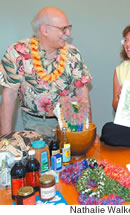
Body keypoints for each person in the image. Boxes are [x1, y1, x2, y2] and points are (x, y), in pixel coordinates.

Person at [0, 7, 92, 138]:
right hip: (34, 124)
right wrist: (5, 138)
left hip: (70, 122)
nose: (68, 33)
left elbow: (82, 93)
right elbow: (9, 95)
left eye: (68, 28)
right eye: (63, 28)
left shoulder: (73, 54)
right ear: (45, 30)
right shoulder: (17, 52)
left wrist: (88, 131)